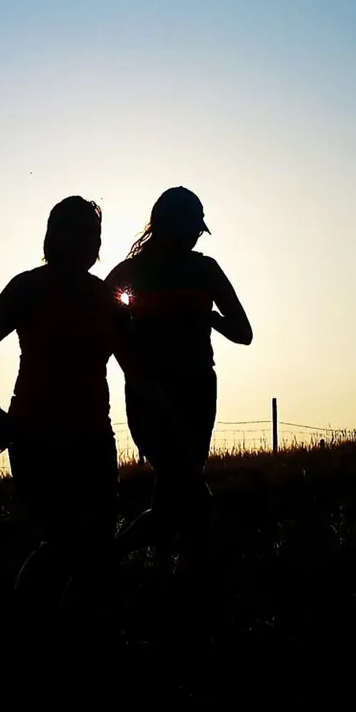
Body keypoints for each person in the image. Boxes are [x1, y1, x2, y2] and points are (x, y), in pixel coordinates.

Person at [0, 197, 148, 607]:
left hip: (90, 440)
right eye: (79, 232)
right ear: (55, 237)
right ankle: (34, 627)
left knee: (91, 547)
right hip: (37, 438)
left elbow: (138, 372)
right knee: (71, 543)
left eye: (93, 234)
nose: (88, 242)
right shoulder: (29, 288)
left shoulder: (106, 299)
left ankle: (59, 633)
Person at [104, 187, 252, 552]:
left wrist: (209, 318)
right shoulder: (128, 274)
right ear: (166, 226)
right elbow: (100, 331)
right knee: (188, 488)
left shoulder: (206, 270)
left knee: (177, 491)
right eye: (189, 229)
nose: (193, 237)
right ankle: (117, 562)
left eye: (197, 231)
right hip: (149, 395)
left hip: (198, 392)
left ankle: (148, 568)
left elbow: (243, 333)